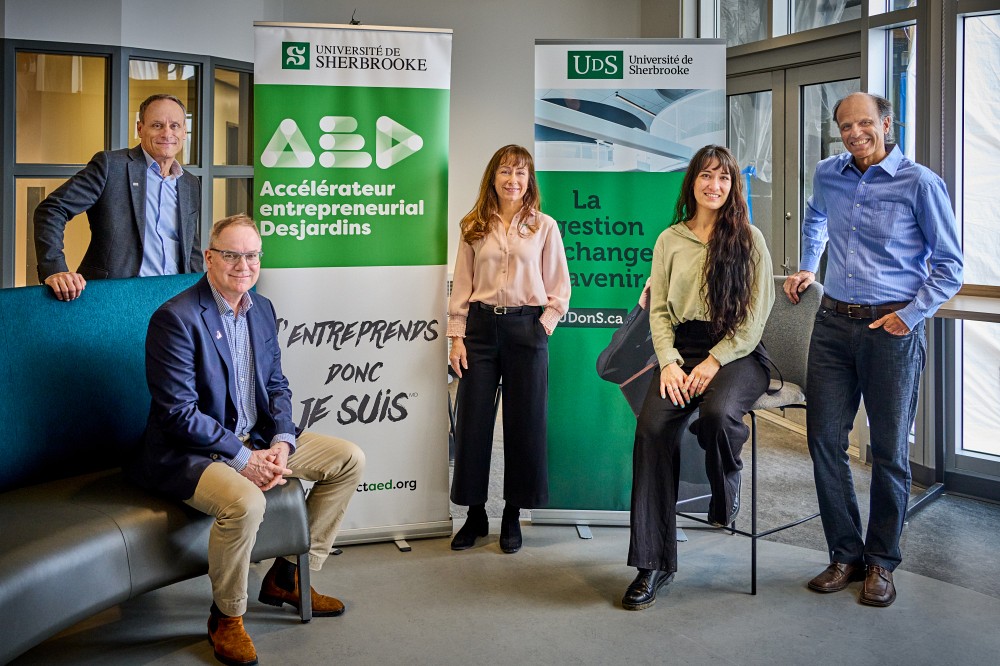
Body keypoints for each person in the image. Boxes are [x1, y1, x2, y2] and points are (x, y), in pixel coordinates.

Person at [129, 214, 365, 666]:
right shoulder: (175, 318)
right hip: (191, 452)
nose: (244, 265)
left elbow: (276, 385)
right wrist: (243, 458)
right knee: (246, 502)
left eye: (252, 255)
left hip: (256, 438)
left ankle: (288, 578)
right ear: (209, 257)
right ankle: (226, 616)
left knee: (348, 459)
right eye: (232, 255)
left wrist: (282, 442)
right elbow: (177, 414)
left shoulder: (262, 309)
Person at [784, 92, 963, 607]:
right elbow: (815, 218)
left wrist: (911, 315)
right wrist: (809, 265)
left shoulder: (920, 183)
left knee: (888, 450)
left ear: (886, 124)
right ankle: (845, 554)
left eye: (865, 123)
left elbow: (950, 265)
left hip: (891, 329)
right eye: (845, 125)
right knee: (824, 440)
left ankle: (882, 561)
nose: (855, 133)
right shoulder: (828, 173)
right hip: (832, 324)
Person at [623, 145, 774, 611]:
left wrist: (714, 360)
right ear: (692, 182)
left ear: (733, 186)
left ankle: (726, 481)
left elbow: (755, 317)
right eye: (706, 176)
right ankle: (652, 564)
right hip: (680, 348)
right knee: (651, 430)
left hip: (737, 351)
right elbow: (659, 311)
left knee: (717, 414)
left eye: (723, 177)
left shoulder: (749, 239)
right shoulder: (670, 239)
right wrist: (669, 361)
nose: (714, 185)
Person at [447, 144, 570, 554]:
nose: (512, 179)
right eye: (505, 171)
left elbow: (560, 288)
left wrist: (542, 328)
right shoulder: (473, 225)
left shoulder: (544, 226)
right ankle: (475, 515)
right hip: (480, 329)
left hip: (526, 328)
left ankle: (513, 514)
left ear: (529, 180)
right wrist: (457, 337)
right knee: (472, 423)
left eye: (520, 172)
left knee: (525, 424)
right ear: (493, 178)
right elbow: (462, 284)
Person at [33, 93, 202, 301]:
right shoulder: (111, 166)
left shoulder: (190, 183)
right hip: (115, 299)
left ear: (184, 131)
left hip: (175, 298)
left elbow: (191, 248)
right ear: (140, 128)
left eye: (174, 126)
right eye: (157, 125)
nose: (167, 133)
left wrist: (200, 295)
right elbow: (51, 210)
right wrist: (55, 268)